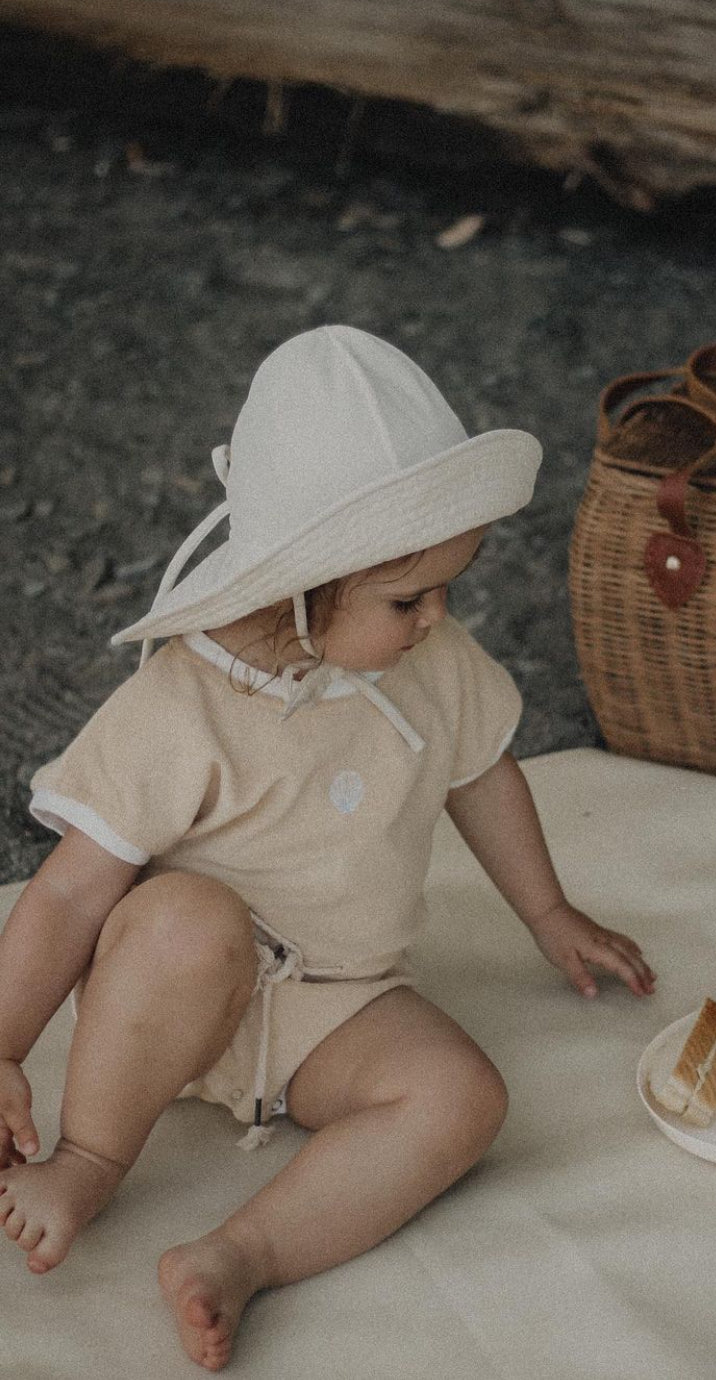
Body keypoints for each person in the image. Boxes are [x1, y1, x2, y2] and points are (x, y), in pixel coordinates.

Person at [0, 326, 656, 1372]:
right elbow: (74, 898)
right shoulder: (184, 702)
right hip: (168, 995)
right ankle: (89, 1158)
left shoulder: (432, 661)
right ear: (300, 586)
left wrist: (549, 914)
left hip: (331, 999)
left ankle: (241, 1253)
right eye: (408, 599)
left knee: (462, 1098)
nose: (437, 616)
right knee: (187, 917)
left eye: (450, 586)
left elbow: (482, 774)